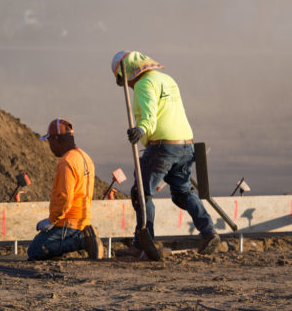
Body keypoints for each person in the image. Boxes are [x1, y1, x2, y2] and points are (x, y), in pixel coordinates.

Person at [111, 51, 220, 256]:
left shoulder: (144, 84)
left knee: (141, 193)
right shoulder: (167, 79)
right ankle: (208, 232)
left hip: (162, 146)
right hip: (185, 144)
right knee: (183, 193)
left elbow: (150, 116)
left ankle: (143, 243)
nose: (128, 86)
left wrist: (140, 130)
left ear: (129, 74)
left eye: (124, 81)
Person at [27, 118, 104, 261]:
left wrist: (51, 220)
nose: (50, 146)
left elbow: (65, 198)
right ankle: (81, 238)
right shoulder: (85, 157)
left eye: (50, 141)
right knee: (45, 248)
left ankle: (82, 240)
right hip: (83, 219)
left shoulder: (67, 162)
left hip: (69, 222)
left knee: (35, 250)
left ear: (56, 139)